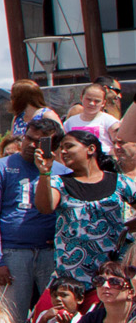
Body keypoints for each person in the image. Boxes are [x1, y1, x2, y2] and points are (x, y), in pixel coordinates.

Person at [0, 119, 61, 323]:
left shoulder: (61, 171)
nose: (31, 145)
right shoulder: (0, 168)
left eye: (40, 142)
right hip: (12, 254)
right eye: (28, 138)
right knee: (11, 320)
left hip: (50, 253)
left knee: (54, 317)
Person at [50, 125, 134, 297]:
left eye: (69, 146)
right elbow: (46, 207)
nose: (63, 152)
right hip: (73, 277)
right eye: (61, 149)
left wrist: (128, 228)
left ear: (91, 149)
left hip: (113, 273)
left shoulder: (121, 182)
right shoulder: (58, 183)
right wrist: (44, 173)